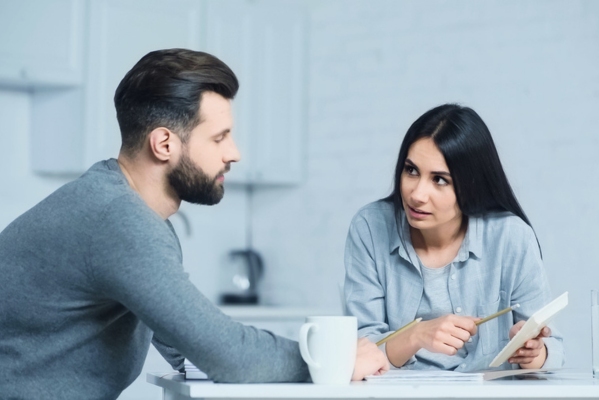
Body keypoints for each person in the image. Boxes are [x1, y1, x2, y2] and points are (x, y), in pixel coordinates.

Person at [0, 49, 389, 399]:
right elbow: (224, 354)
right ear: (164, 144)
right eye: (219, 138)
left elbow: (185, 342)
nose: (233, 153)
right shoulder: (119, 219)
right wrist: (329, 363)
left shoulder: (127, 210)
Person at [343, 104, 564, 372]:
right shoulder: (370, 226)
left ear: (472, 184)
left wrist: (534, 355)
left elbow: (553, 348)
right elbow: (361, 350)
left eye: (439, 180)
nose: (417, 194)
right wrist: (417, 335)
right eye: (411, 170)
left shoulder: (511, 237)